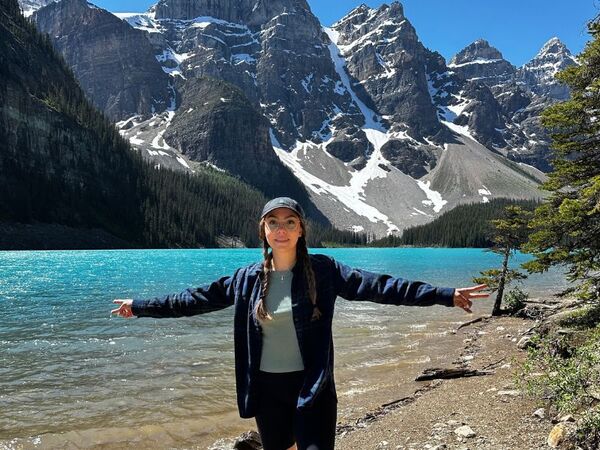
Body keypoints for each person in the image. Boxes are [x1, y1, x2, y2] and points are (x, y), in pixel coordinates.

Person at [112, 197, 489, 450]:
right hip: (265, 391)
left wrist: (444, 294)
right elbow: (193, 299)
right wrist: (140, 306)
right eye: (273, 222)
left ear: (300, 230)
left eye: (289, 222)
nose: (281, 229)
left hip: (313, 387)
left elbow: (382, 287)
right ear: (263, 230)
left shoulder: (324, 271)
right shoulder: (246, 279)